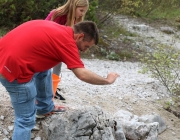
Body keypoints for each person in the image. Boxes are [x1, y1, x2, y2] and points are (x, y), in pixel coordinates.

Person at [0, 20, 119, 140]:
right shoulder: (67, 42)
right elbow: (82, 74)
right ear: (80, 36)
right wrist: (107, 80)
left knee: (44, 70)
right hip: (12, 71)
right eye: (86, 46)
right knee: (25, 120)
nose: (84, 50)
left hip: (3, 55)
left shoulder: (59, 30)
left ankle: (44, 107)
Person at [46, 0, 89, 98]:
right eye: (81, 10)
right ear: (74, 6)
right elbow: (50, 31)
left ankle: (53, 88)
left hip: (57, 45)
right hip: (47, 42)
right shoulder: (58, 14)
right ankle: (46, 88)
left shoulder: (74, 19)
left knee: (58, 65)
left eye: (84, 12)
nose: (82, 14)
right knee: (45, 67)